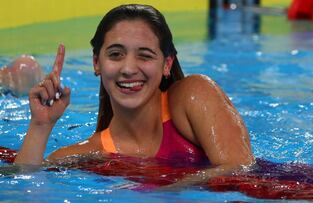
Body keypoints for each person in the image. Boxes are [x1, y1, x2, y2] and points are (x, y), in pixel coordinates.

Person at [14, 4, 254, 187]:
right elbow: (26, 189)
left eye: (145, 55)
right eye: (116, 54)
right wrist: (40, 125)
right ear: (97, 63)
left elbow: (239, 168)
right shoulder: (87, 154)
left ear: (167, 63)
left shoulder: (193, 95)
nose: (128, 68)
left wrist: (162, 193)